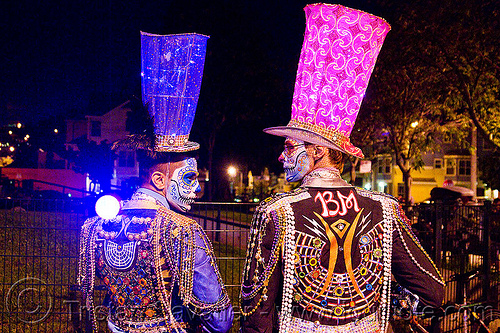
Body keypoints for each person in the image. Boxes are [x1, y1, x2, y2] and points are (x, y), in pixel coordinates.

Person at [239, 4, 444, 333]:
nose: (282, 156)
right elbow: (434, 290)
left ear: (318, 151)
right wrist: (388, 307)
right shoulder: (385, 209)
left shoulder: (277, 212)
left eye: (290, 146)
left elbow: (256, 313)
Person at [78, 32, 233, 333]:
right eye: (188, 178)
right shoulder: (182, 230)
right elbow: (220, 318)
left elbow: (108, 307)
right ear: (160, 179)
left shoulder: (95, 227)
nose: (197, 189)